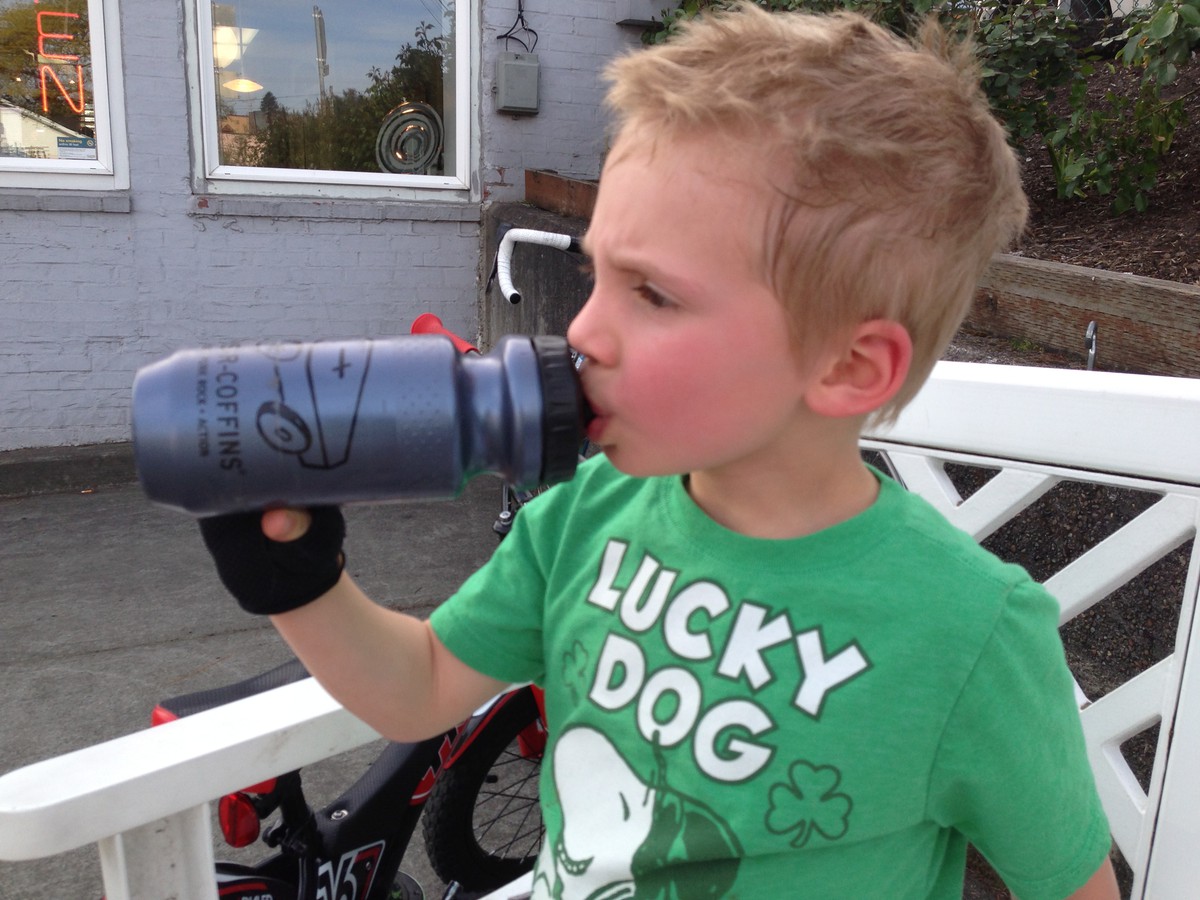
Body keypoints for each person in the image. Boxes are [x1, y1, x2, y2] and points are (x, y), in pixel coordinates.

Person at [199, 5, 1118, 897]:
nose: (584, 329)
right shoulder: (581, 520)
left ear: (846, 365)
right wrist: (301, 585)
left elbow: (1071, 883)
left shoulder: (969, 633)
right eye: (596, 272)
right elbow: (425, 688)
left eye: (655, 296)